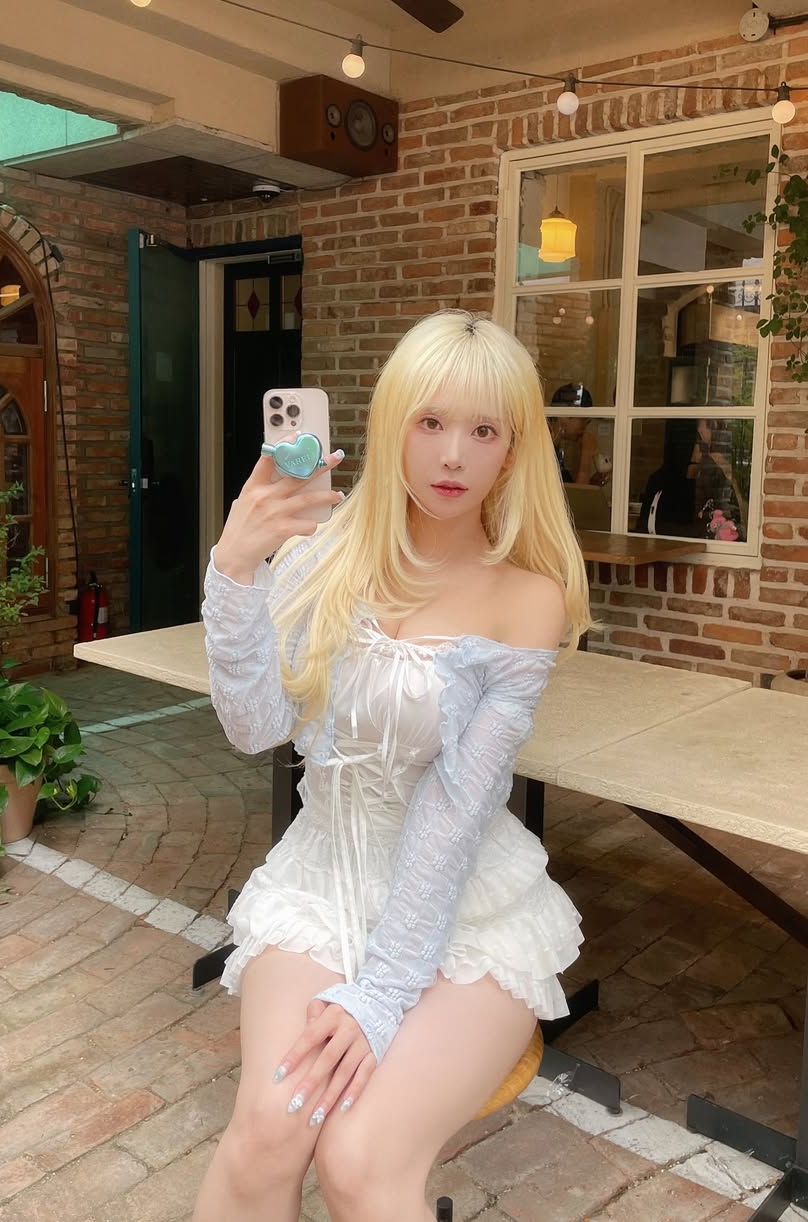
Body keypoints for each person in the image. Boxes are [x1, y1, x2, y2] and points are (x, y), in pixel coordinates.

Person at [195, 310, 590, 1222]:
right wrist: (235, 568)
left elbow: (456, 809)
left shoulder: (528, 599)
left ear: (513, 449)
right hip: (322, 881)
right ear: (391, 424)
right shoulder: (321, 555)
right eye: (430, 421)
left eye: (484, 430)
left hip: (464, 910)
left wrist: (380, 994)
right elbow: (256, 726)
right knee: (269, 1130)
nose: (452, 455)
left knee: (360, 1160)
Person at [635, 417, 745, 540]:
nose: (703, 454)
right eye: (699, 443)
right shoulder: (660, 483)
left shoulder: (711, 479)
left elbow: (734, 523)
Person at [547, 381, 601, 484]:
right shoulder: (542, 447)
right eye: (583, 419)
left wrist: (591, 483)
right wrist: (586, 454)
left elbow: (570, 491)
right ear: (565, 416)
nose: (585, 426)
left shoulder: (556, 449)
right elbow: (578, 495)